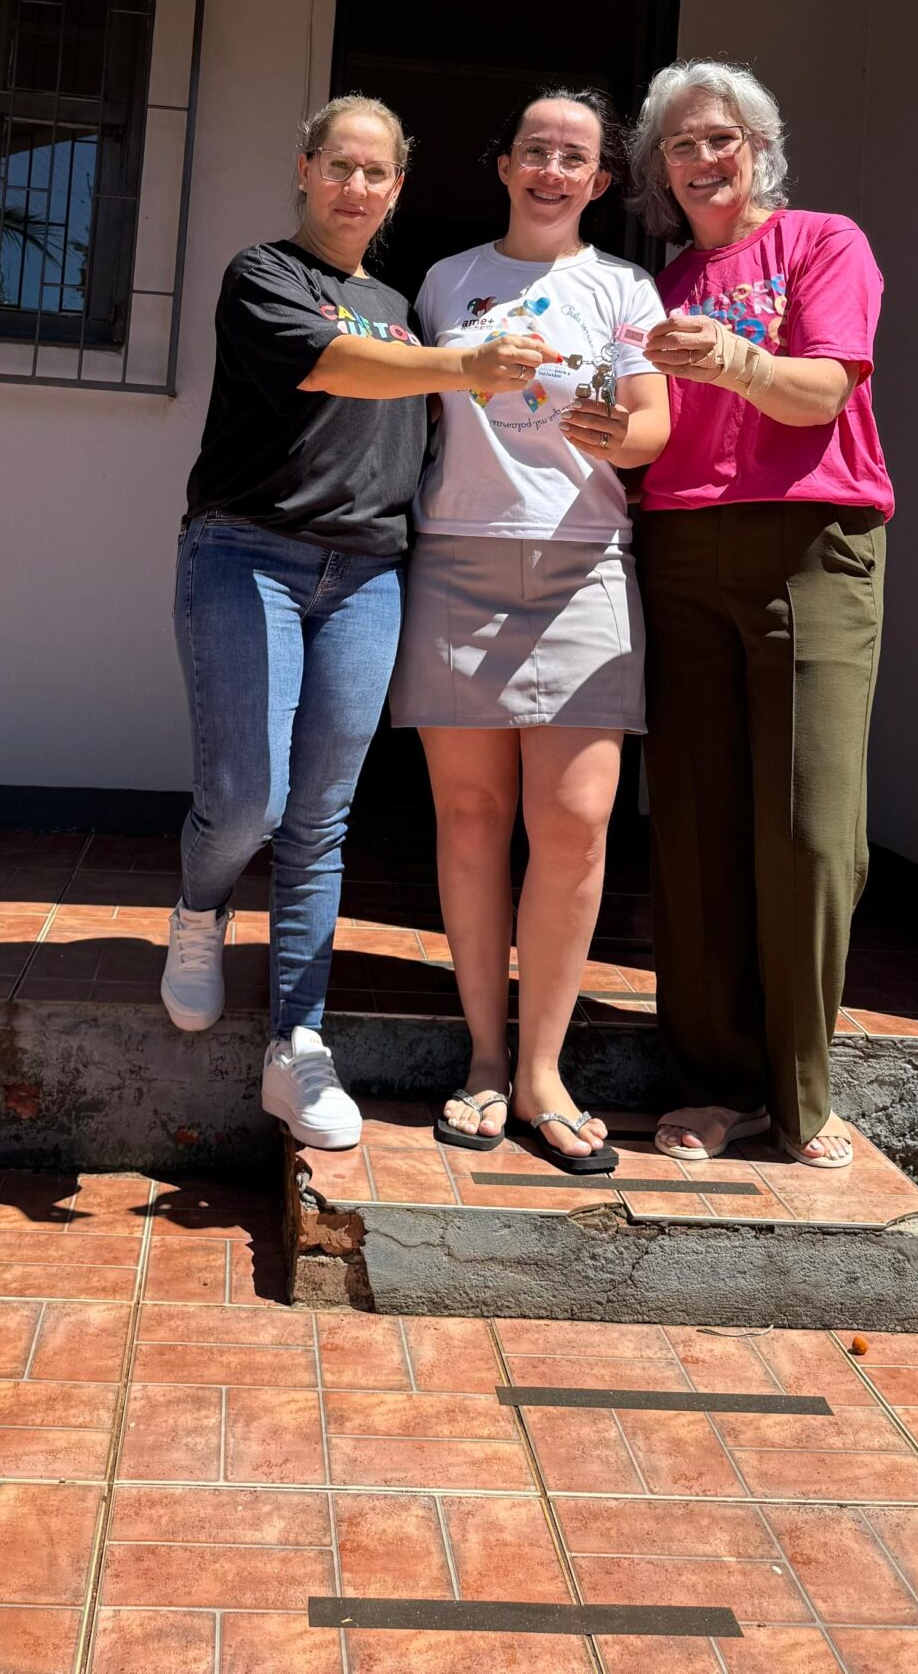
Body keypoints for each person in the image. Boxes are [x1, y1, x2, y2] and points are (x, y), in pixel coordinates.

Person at [163, 93, 554, 1149]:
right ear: (305, 169)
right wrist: (464, 364)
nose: (356, 186)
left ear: (397, 189)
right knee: (247, 799)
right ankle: (200, 908)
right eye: (340, 164)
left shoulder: (400, 303)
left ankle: (298, 1042)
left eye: (377, 172)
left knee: (320, 817)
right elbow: (332, 365)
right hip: (248, 553)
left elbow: (445, 426)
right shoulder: (263, 274)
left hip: (368, 575)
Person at [390, 88, 670, 1171]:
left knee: (577, 823)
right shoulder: (444, 281)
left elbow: (652, 429)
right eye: (535, 150)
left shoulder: (623, 286)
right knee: (469, 818)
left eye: (574, 157)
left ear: (600, 181)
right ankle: (485, 1058)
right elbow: (413, 406)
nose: (552, 170)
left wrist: (614, 434)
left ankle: (545, 1070)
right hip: (457, 559)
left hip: (583, 563)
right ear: (503, 164)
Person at [630, 58, 894, 1171]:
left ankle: (801, 1092)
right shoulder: (658, 285)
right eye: (682, 144)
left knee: (812, 828)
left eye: (722, 138)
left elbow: (824, 389)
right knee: (695, 823)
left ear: (761, 147)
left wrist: (740, 359)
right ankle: (716, 1083)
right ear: (660, 168)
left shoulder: (823, 242)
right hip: (682, 546)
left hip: (812, 545)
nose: (703, 159)